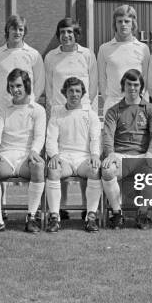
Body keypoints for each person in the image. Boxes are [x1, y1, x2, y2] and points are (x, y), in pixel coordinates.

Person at [44, 17, 98, 219]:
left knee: (85, 157)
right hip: (59, 113)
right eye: (62, 32)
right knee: (59, 160)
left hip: (81, 111)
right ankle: (61, 207)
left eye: (70, 32)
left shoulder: (87, 55)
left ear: (76, 34)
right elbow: (49, 87)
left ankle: (87, 207)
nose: (66, 36)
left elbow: (92, 86)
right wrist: (54, 109)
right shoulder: (51, 56)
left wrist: (82, 107)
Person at [0, 69, 46, 234]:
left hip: (26, 157)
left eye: (18, 85)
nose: (15, 90)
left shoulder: (38, 110)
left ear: (26, 85)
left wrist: (34, 151)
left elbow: (39, 136)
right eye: (11, 86)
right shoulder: (1, 109)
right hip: (6, 156)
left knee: (39, 167)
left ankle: (32, 217)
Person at [101, 69, 152, 230]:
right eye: (129, 84)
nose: (132, 88)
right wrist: (110, 153)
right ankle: (116, 213)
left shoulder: (151, 110)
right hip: (119, 156)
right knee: (107, 171)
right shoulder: (114, 110)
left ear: (141, 87)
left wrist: (150, 154)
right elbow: (107, 135)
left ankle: (142, 214)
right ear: (123, 86)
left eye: (136, 85)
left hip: (142, 156)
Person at [46, 77, 102, 233]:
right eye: (71, 90)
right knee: (53, 170)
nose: (74, 94)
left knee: (95, 170)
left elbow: (95, 138)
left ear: (83, 93)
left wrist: (95, 155)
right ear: (65, 92)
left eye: (78, 91)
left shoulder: (90, 114)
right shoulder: (57, 112)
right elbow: (51, 138)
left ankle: (91, 217)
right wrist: (54, 155)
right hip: (64, 157)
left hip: (84, 158)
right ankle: (55, 217)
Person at [98, 5, 150, 115]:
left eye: (127, 21)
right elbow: (102, 79)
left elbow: (146, 78)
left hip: (137, 103)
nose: (123, 25)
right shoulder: (104, 49)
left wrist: (141, 101)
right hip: (113, 104)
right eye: (119, 21)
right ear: (115, 24)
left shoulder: (143, 48)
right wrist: (108, 100)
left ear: (133, 24)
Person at [0, 15, 44, 109]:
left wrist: (31, 101)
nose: (17, 32)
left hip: (26, 108)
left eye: (21, 29)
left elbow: (39, 82)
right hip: (3, 108)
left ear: (24, 32)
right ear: (7, 30)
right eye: (14, 29)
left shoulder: (34, 54)